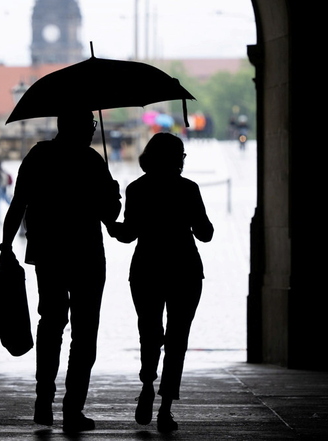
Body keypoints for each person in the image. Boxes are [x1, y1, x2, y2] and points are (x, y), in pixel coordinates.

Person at [0, 109, 122, 433]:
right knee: (84, 334)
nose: (94, 130)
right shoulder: (92, 161)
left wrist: (5, 245)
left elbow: (18, 203)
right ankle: (72, 409)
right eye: (91, 125)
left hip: (48, 252)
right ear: (83, 128)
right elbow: (110, 218)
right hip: (86, 255)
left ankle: (44, 400)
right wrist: (115, 194)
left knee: (50, 323)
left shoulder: (38, 155)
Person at [107, 132, 213, 433]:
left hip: (147, 268)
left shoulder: (137, 189)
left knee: (149, 331)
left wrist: (110, 223)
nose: (182, 160)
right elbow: (205, 233)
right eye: (181, 154)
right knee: (178, 338)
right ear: (175, 158)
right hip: (185, 269)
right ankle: (166, 407)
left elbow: (128, 234)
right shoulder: (188, 189)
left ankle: (146, 384)